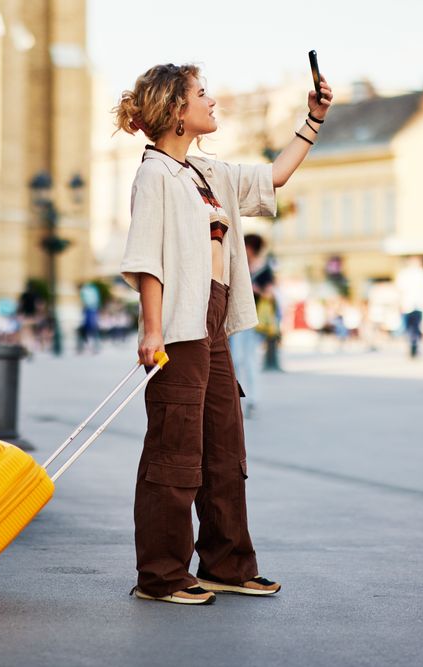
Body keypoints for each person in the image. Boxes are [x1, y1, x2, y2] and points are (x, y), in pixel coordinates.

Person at [116, 62, 332, 605]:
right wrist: (152, 330)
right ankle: (161, 576)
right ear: (176, 111)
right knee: (175, 451)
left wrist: (314, 118)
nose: (212, 102)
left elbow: (275, 176)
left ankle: (226, 565)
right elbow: (147, 260)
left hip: (214, 322)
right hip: (180, 328)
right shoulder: (155, 175)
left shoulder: (206, 172)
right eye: (201, 94)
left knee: (224, 449)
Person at [231, 234, 268, 418]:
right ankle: (234, 397)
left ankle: (252, 399)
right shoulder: (240, 266)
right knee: (236, 359)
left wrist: (257, 290)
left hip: (256, 322)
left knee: (250, 361)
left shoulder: (264, 269)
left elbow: (271, 294)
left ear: (251, 249)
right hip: (239, 318)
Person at [395, 257, 423, 358]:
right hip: (408, 304)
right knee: (409, 326)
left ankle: (415, 343)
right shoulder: (404, 274)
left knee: (416, 326)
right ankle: (412, 342)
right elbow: (400, 290)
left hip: (419, 305)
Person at [78, 281, 102, 353]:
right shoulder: (93, 289)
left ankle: (88, 346)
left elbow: (85, 302)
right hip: (93, 310)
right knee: (93, 329)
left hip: (89, 311)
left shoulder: (84, 291)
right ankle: (95, 346)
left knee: (88, 329)